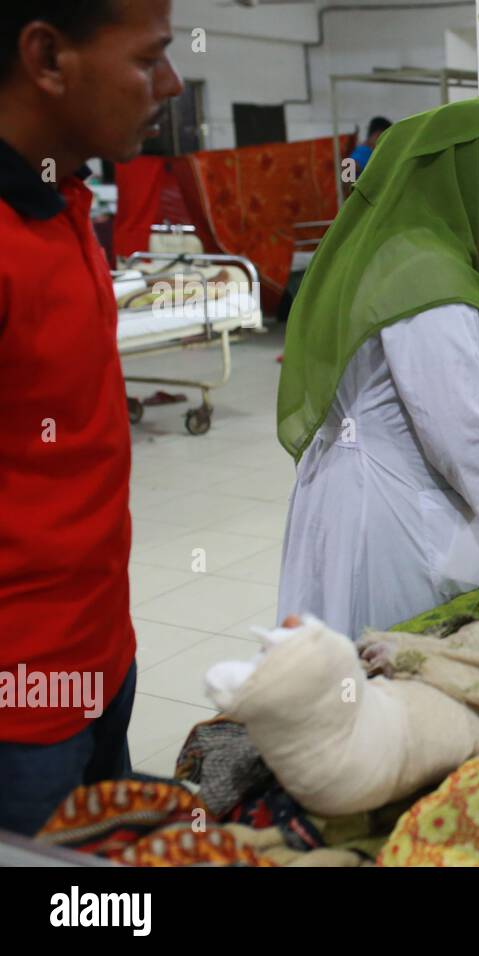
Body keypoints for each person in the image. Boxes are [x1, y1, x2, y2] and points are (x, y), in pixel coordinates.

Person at [276, 97, 479, 639]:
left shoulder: (397, 253)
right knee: (387, 675)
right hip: (388, 520)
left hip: (364, 496)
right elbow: (459, 431)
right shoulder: (428, 278)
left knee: (349, 678)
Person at [0, 0, 183, 836]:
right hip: (21, 710)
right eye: (150, 59)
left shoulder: (61, 201)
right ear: (47, 57)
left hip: (103, 658)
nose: (171, 84)